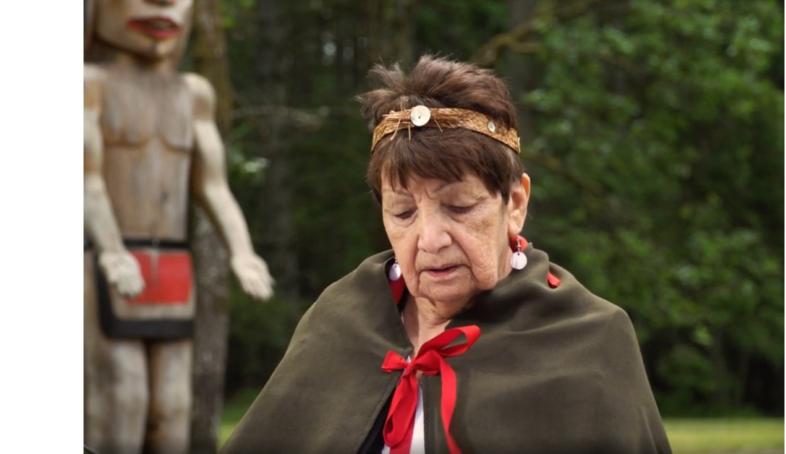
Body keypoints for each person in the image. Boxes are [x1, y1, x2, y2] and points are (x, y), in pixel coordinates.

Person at [222, 55, 671, 454]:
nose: (430, 239)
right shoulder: (341, 318)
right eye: (403, 212)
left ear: (515, 204)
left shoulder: (588, 338)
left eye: (459, 207)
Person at [84, 0, 273, 452]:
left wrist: (242, 252)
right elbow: (84, 177)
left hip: (171, 266)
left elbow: (214, 187)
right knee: (122, 402)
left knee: (171, 409)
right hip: (109, 262)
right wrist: (111, 251)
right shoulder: (87, 85)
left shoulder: (194, 93)